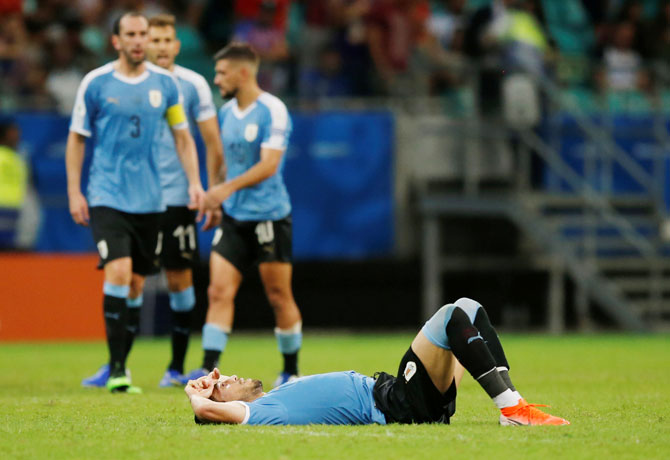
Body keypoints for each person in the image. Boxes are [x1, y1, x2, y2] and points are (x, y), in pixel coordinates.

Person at [66, 11, 205, 393]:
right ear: (116, 41)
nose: (139, 40)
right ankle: (115, 371)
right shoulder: (96, 83)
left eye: (143, 33)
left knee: (135, 285)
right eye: (131, 34)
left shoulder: (167, 86)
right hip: (106, 195)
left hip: (151, 201)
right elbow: (77, 137)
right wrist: (75, 191)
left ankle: (119, 365)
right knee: (119, 271)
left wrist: (195, 182)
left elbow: (182, 136)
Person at [185, 297, 570, 426]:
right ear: (226, 403)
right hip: (395, 403)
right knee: (452, 315)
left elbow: (211, 406)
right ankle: (513, 409)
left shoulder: (276, 396)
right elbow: (204, 412)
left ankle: (510, 408)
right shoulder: (260, 412)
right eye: (224, 384)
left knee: (470, 308)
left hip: (396, 395)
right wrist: (195, 391)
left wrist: (211, 390)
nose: (229, 376)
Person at [183, 42, 303, 388]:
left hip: (269, 217)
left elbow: (269, 165)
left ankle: (290, 369)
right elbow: (219, 158)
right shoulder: (225, 114)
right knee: (219, 291)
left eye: (221, 73)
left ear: (243, 73)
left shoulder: (273, 110)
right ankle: (208, 366)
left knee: (279, 296)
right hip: (234, 218)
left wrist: (225, 189)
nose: (216, 79)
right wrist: (216, 196)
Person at [145, 13, 225, 388]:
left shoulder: (193, 84)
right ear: (143, 43)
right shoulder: (129, 84)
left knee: (179, 277)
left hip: (179, 196)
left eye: (167, 40)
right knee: (127, 277)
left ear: (177, 46)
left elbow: (211, 141)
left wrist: (211, 191)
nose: (161, 47)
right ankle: (117, 369)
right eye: (154, 40)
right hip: (135, 197)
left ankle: (175, 367)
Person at [0, 114, 27, 249]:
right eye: (13, 132)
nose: (17, 135)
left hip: (14, 209)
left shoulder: (17, 157)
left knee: (8, 249)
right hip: (1, 207)